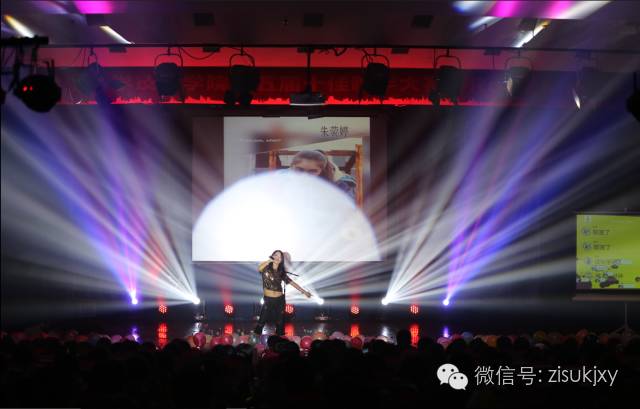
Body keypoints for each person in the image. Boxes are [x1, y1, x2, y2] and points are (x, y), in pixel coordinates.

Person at [254, 250, 311, 336]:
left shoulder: (281, 272)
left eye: (280, 257)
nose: (278, 257)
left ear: (281, 260)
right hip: (268, 299)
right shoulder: (266, 268)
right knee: (261, 321)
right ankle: (255, 340)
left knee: (280, 323)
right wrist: (269, 260)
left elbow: (292, 282)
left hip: (279, 300)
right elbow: (259, 268)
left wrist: (304, 292)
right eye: (276, 255)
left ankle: (280, 341)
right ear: (272, 256)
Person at [289, 150, 357, 199]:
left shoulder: (342, 186)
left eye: (312, 171)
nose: (305, 175)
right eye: (300, 169)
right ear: (292, 167)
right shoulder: (285, 179)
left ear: (321, 171)